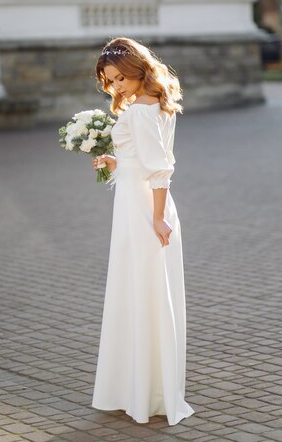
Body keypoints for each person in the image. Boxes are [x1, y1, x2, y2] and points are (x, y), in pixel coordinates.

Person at [91, 37, 194, 426]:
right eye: (109, 81)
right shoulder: (154, 105)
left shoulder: (142, 112)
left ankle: (144, 392)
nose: (115, 87)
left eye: (119, 78)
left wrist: (156, 218)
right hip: (143, 206)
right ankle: (140, 388)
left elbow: (160, 168)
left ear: (137, 69)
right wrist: (115, 162)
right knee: (141, 293)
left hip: (144, 212)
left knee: (143, 293)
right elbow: (142, 160)